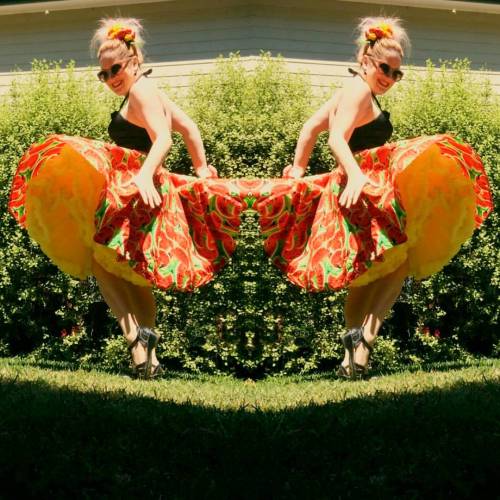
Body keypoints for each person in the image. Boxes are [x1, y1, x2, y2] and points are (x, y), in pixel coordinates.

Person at [9, 18, 236, 379]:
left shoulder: (143, 92)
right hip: (143, 187)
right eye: (103, 74)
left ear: (133, 61)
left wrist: (147, 173)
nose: (111, 78)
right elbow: (189, 128)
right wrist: (202, 167)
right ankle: (148, 356)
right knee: (133, 272)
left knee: (101, 261)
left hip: (133, 185)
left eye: (115, 69)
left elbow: (164, 137)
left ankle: (135, 343)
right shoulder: (148, 91)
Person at [273, 17, 493, 379]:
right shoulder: (358, 91)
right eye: (384, 69)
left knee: (369, 271)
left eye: (396, 74)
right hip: (365, 186)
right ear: (365, 59)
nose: (389, 78)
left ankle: (352, 356)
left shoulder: (352, 90)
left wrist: (298, 167)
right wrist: (356, 174)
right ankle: (365, 341)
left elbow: (312, 127)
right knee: (399, 261)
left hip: (356, 187)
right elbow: (335, 139)